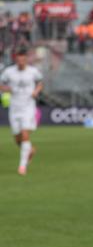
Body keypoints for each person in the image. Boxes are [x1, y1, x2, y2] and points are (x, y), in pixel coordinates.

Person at [0, 46, 43, 175]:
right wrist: (6, 89)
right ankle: (29, 150)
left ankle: (22, 166)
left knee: (25, 134)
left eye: (23, 60)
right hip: (14, 107)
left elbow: (40, 82)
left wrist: (36, 91)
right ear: (16, 59)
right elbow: (1, 84)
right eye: (19, 60)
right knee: (18, 138)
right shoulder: (8, 72)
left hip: (28, 107)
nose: (21, 62)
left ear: (26, 59)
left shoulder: (33, 71)